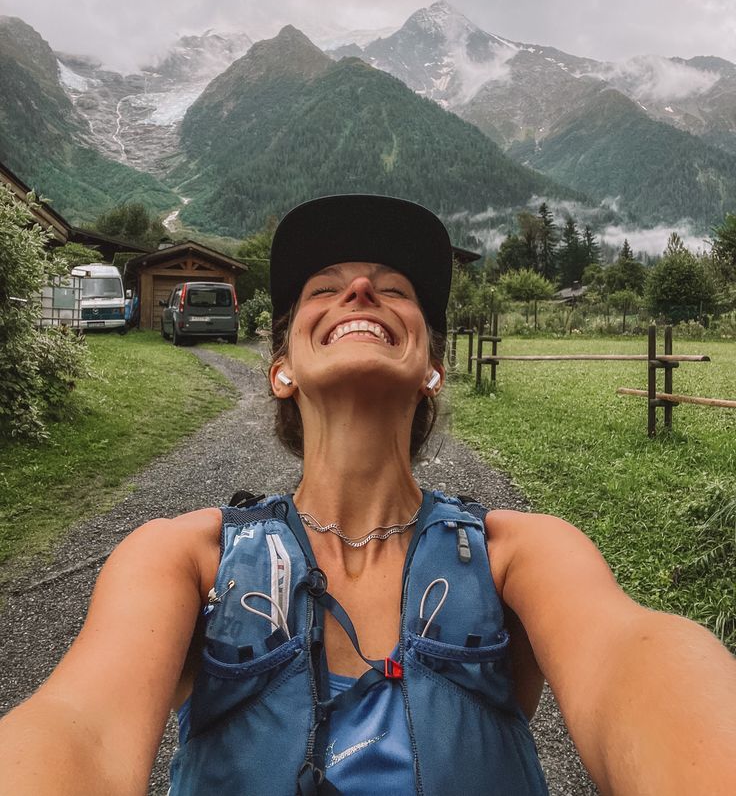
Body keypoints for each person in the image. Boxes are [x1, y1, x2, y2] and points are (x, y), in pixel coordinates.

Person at [0, 194, 734, 796]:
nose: (359, 289)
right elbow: (79, 728)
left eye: (394, 288)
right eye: (325, 287)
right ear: (280, 368)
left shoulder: (527, 555)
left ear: (433, 369)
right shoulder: (180, 559)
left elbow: (633, 659)